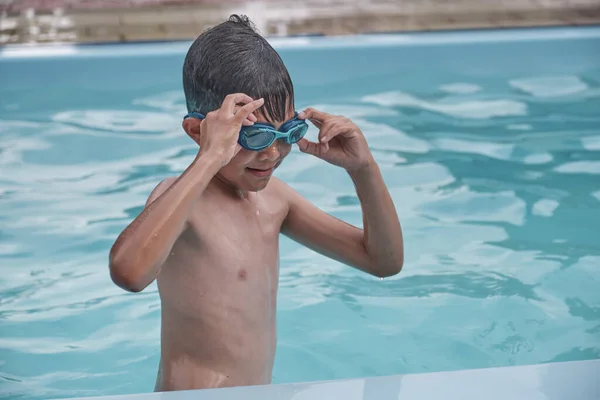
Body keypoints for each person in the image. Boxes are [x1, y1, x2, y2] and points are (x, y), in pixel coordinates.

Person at [108, 14, 404, 392]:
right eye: (254, 136)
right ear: (199, 132)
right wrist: (208, 159)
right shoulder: (181, 201)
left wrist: (364, 169)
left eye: (287, 132)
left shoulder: (276, 201)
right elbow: (128, 273)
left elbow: (383, 261)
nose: (274, 153)